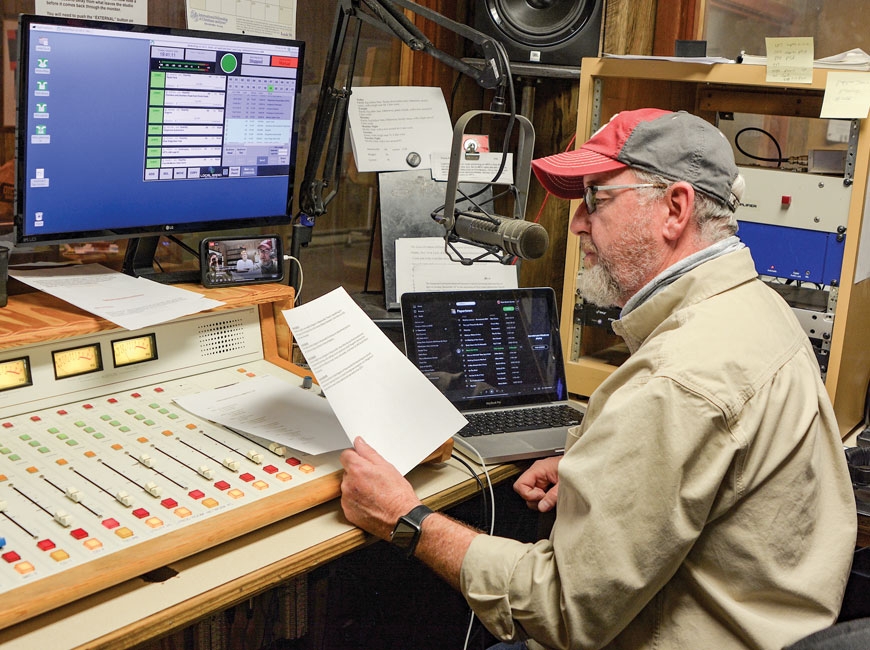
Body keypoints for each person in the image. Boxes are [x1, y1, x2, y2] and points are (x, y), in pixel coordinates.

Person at [339, 108, 857, 650]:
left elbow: (562, 609)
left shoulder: (677, 377)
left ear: (675, 209)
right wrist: (605, 467)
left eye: (596, 199)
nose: (578, 223)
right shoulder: (759, 308)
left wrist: (406, 517)